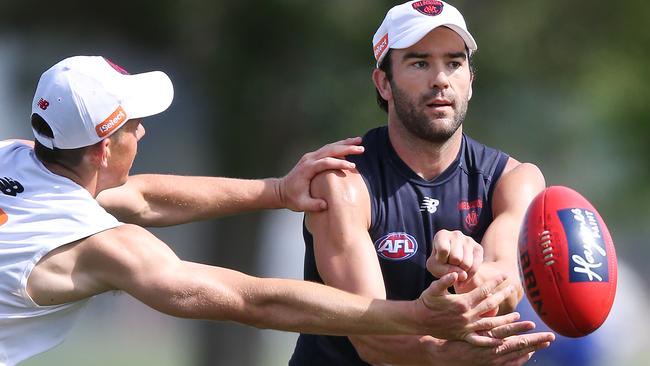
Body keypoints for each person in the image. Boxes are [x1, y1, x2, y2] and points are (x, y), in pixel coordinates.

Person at [0, 55, 529, 366]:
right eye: (132, 126)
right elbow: (251, 300)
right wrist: (417, 317)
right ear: (101, 151)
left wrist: (278, 191)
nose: (142, 131)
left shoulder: (15, 156)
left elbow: (138, 196)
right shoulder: (100, 247)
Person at [290, 1, 556, 365]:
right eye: (419, 63)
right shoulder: (341, 181)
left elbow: (504, 284)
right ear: (384, 83)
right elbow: (373, 341)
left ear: (471, 81)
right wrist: (450, 355)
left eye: (454, 62)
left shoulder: (515, 180)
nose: (441, 79)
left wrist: (464, 273)